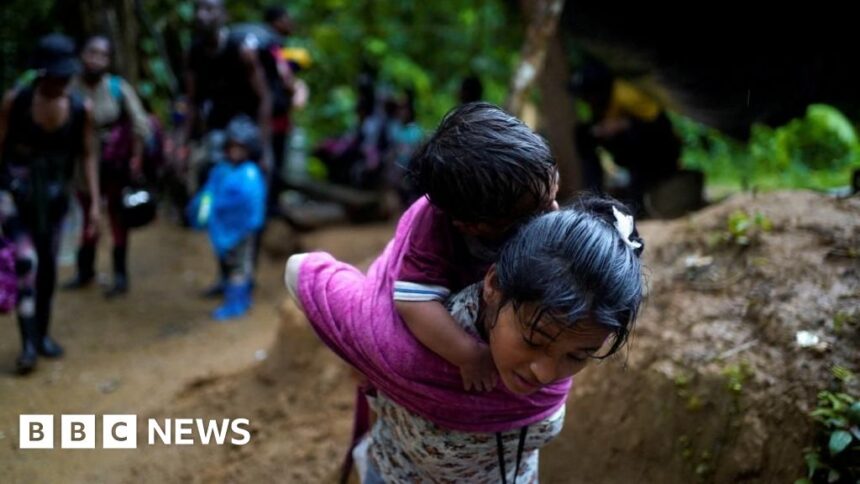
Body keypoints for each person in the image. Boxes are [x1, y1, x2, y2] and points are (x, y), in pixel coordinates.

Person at [284, 195, 644, 482]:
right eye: (534, 341)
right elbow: (300, 271)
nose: (546, 374)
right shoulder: (409, 344)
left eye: (577, 357)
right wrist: (365, 360)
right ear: (493, 285)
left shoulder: (547, 334)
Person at [391, 102, 559, 392]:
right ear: (470, 226)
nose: (553, 210)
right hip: (447, 307)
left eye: (553, 195)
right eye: (538, 210)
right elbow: (413, 301)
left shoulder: (528, 193)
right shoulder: (433, 230)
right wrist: (469, 354)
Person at [0, 34, 100, 374]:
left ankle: (42, 335)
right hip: (15, 197)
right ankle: (27, 345)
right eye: (55, 75)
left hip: (56, 201)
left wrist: (94, 204)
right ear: (42, 74)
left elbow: (87, 155)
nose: (62, 82)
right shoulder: (16, 102)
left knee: (48, 270)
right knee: (26, 262)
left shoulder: (78, 109)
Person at [63, 34, 152, 297]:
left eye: (103, 55)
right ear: (82, 54)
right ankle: (85, 271)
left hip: (115, 167)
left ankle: (120, 276)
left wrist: (135, 158)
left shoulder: (117, 87)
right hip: (81, 166)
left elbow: (141, 125)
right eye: (92, 52)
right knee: (87, 214)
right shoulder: (69, 87)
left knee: (117, 219)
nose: (96, 59)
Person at [570, 63, 681, 212]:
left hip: (660, 150)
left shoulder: (627, 94)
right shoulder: (602, 104)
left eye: (586, 95)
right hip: (629, 149)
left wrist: (623, 124)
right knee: (583, 134)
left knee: (634, 139)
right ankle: (592, 195)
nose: (585, 101)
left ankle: (636, 201)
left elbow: (658, 127)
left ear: (598, 91)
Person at [188, 115, 266, 320]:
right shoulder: (220, 170)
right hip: (223, 230)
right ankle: (230, 290)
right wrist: (202, 215)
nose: (235, 151)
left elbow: (251, 203)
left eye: (241, 147)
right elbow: (208, 195)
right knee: (227, 263)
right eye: (232, 146)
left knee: (240, 266)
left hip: (243, 231)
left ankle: (237, 302)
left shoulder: (250, 173)